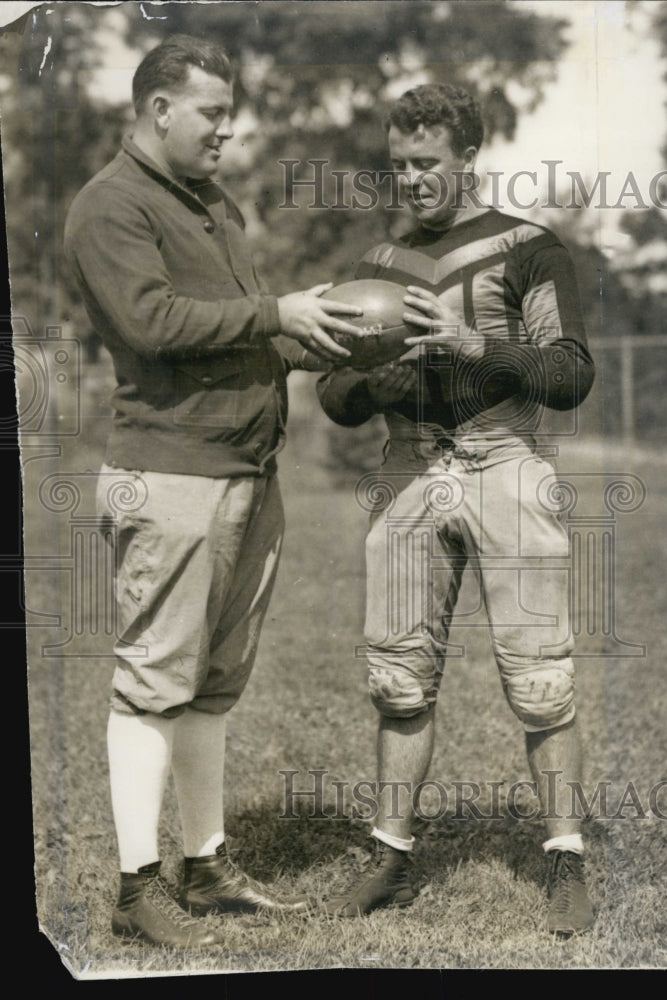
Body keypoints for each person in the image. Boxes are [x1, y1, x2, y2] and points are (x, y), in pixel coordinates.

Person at [64, 34, 365, 949]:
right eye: (212, 113)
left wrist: (319, 330)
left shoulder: (210, 203)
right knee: (154, 682)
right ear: (160, 109)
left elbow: (236, 331)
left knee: (210, 687)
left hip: (243, 472)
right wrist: (277, 313)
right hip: (171, 475)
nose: (227, 130)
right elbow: (151, 323)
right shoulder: (109, 205)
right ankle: (134, 887)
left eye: (228, 114)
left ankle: (203, 863)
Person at [316, 83, 596, 935]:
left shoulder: (529, 247)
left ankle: (566, 857)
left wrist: (481, 346)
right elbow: (333, 396)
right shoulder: (378, 266)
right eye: (399, 165)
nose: (412, 180)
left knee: (542, 681)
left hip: (506, 458)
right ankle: (392, 854)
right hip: (409, 466)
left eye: (427, 163)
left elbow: (574, 373)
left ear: (468, 154)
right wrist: (377, 383)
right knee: (398, 678)